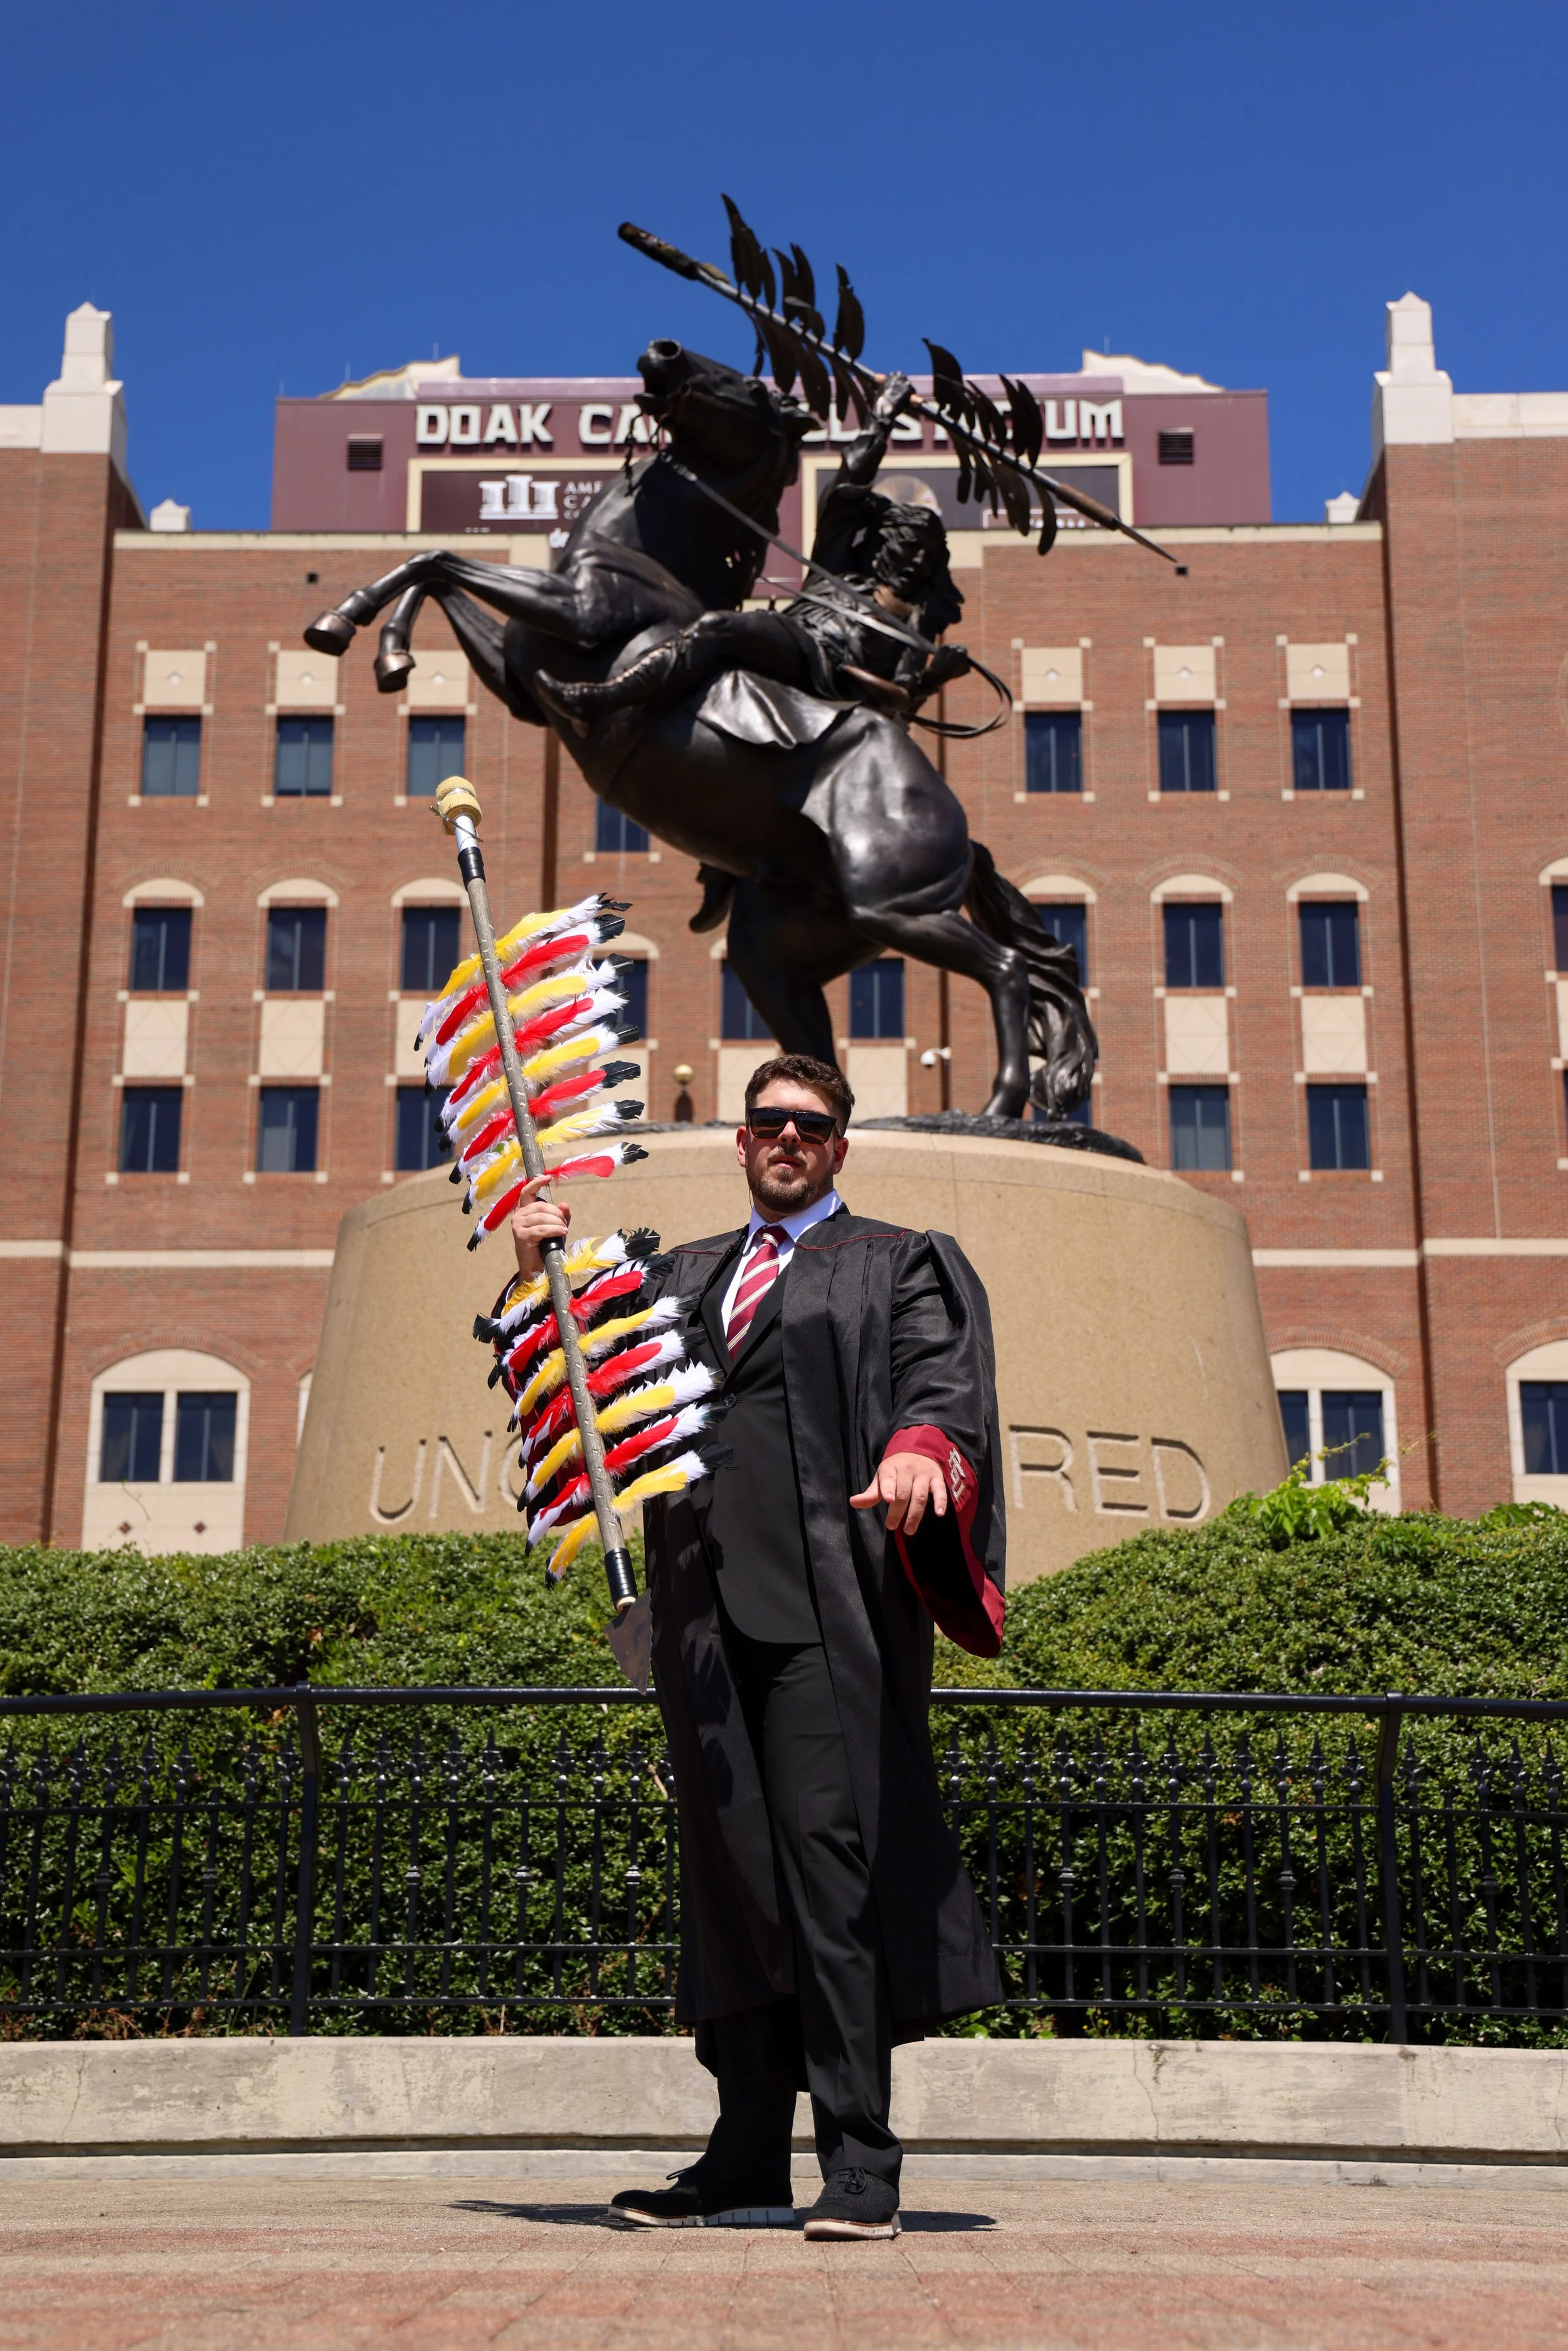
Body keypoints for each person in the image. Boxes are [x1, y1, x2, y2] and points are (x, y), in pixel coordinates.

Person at [507, 1052, 1006, 2241]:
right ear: (740, 1141)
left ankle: (859, 2158)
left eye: (812, 1123)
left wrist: (921, 1449)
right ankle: (741, 2155)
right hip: (698, 1616)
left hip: (827, 1614)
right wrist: (539, 1266)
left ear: (839, 1145)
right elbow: (577, 1379)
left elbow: (939, 1382)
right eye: (769, 1120)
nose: (788, 1136)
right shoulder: (680, 1274)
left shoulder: (894, 1262)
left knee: (830, 1875)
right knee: (731, 1884)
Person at [532, 373, 972, 738]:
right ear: (881, 543)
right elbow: (847, 488)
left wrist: (936, 676)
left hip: (836, 693)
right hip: (800, 646)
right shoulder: (837, 572)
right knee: (716, 628)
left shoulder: (912, 628)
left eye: (928, 558)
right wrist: (882, 418)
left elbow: (899, 707)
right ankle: (608, 699)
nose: (917, 562)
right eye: (910, 548)